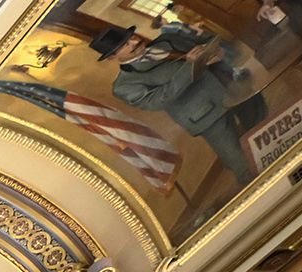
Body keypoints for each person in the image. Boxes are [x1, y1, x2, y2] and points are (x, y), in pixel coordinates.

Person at [93, 22, 267, 180]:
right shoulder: (124, 84)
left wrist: (217, 52)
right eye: (125, 45)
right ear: (111, 57)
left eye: (131, 37)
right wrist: (190, 66)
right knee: (239, 162)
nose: (134, 42)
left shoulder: (167, 39)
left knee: (265, 128)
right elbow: (159, 99)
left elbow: (209, 43)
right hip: (205, 115)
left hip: (234, 88)